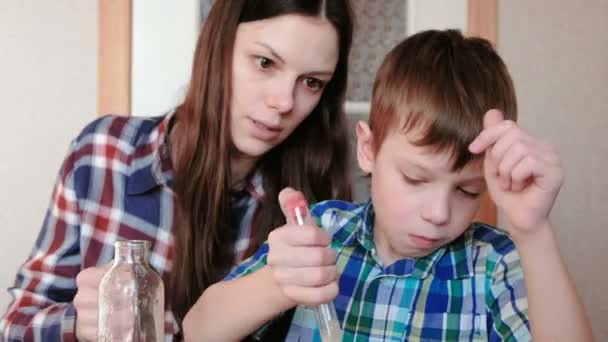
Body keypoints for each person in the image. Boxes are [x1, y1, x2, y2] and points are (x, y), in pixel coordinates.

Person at [187, 29, 594, 341]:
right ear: (368, 149)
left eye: (468, 190)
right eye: (415, 178)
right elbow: (198, 329)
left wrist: (534, 232)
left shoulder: (495, 264)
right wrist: (278, 284)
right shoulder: (322, 232)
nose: (438, 213)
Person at [0, 1, 354, 341]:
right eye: (265, 62)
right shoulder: (104, 154)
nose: (284, 101)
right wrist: (78, 323)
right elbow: (14, 324)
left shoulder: (317, 208)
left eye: (311, 82)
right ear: (218, 46)